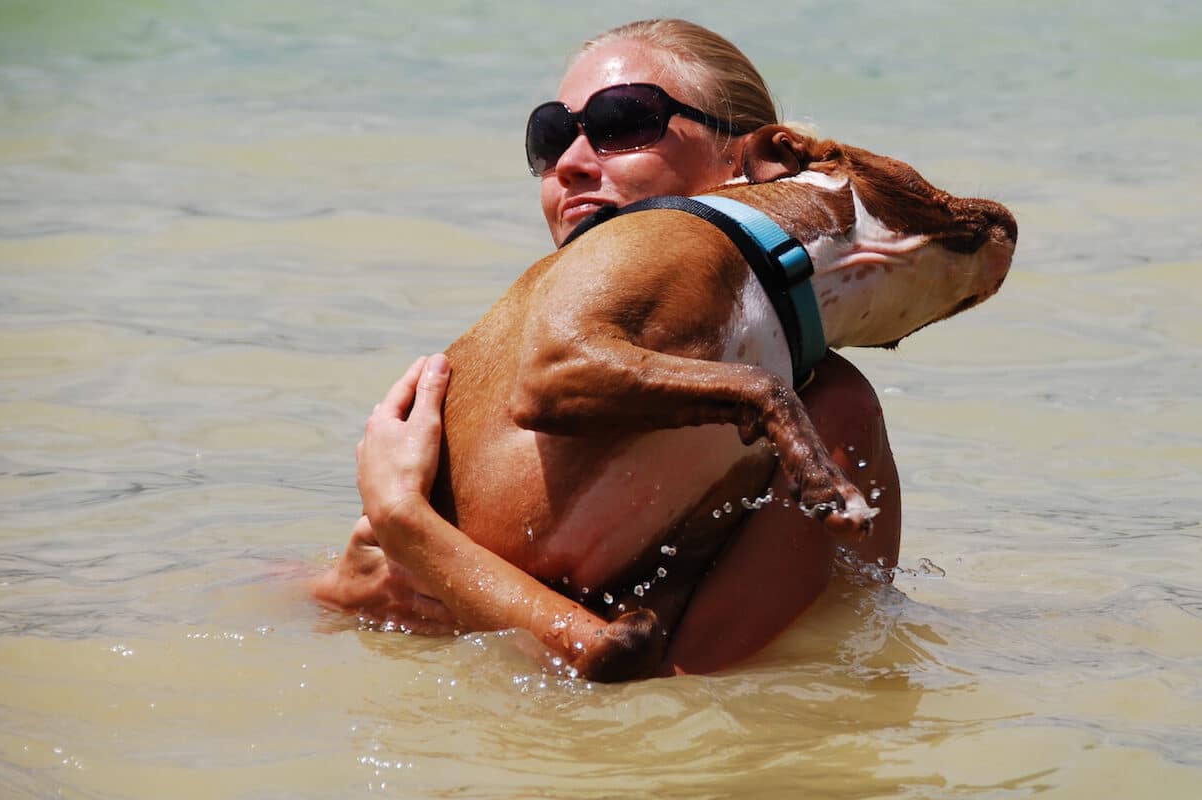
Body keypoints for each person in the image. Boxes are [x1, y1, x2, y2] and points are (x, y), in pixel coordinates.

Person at [313, 18, 901, 675]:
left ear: (758, 163)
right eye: (551, 137)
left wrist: (408, 526)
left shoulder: (822, 409)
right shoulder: (516, 374)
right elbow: (319, 598)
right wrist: (341, 586)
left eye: (623, 123)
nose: (569, 163)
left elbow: (681, 699)